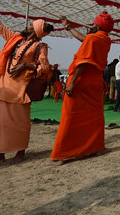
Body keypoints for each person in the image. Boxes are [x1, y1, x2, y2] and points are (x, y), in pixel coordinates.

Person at [0, 0, 53, 165]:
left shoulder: (40, 47)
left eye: (30, 25)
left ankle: (20, 152)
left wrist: (27, 65)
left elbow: (45, 69)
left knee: (19, 122)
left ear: (34, 31)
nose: (26, 26)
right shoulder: (15, 39)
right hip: (4, 86)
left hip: (21, 89)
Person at [47, 12, 114, 166]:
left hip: (81, 81)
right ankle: (97, 147)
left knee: (69, 117)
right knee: (95, 116)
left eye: (93, 23)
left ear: (96, 25)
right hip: (95, 83)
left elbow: (84, 62)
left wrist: (72, 83)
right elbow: (85, 40)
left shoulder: (93, 38)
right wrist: (68, 26)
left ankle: (60, 155)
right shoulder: (105, 40)